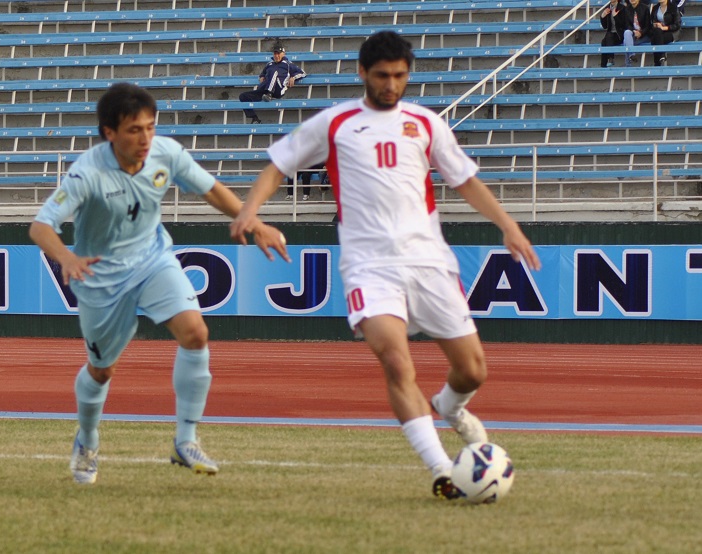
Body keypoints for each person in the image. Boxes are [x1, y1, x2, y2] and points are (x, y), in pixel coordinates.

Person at [230, 31, 541, 500]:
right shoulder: (335, 123)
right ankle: (442, 471)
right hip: (368, 266)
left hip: (429, 262)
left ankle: (451, 409)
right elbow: (278, 165)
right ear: (363, 73)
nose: (391, 84)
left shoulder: (426, 123)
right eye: (382, 76)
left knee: (473, 370)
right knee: (397, 362)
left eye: (399, 75)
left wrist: (509, 225)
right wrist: (250, 211)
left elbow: (466, 181)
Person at [29, 82, 289, 485]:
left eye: (150, 127)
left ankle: (185, 440)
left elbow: (211, 190)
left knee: (196, 333)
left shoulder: (166, 153)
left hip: (152, 260)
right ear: (109, 132)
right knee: (101, 370)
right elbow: (41, 226)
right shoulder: (87, 171)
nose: (146, 137)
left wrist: (254, 223)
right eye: (135, 130)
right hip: (100, 277)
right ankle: (88, 439)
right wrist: (66, 256)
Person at [238, 43, 307, 125]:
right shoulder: (269, 64)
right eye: (275, 53)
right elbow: (263, 73)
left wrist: (293, 77)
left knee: (274, 72)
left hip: (278, 89)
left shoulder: (288, 64)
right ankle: (255, 118)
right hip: (264, 90)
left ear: (283, 54)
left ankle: (269, 93)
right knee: (243, 96)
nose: (276, 56)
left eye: (278, 53)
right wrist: (262, 76)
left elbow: (303, 73)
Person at [650, 0, 682, 66]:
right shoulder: (655, 8)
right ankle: (661, 55)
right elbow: (651, 21)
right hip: (659, 32)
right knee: (657, 33)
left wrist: (665, 28)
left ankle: (657, 62)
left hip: (672, 32)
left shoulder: (673, 7)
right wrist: (655, 24)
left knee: (655, 39)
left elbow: (677, 24)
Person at [623, 0, 653, 67]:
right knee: (627, 33)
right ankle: (632, 55)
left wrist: (641, 33)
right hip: (633, 34)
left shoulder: (645, 8)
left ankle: (628, 64)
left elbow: (648, 26)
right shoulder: (627, 9)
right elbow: (627, 25)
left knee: (625, 41)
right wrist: (634, 31)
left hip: (645, 35)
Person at [600, 0, 628, 67]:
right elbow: (605, 26)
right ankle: (604, 65)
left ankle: (610, 59)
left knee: (608, 37)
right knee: (604, 42)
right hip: (610, 36)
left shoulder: (622, 8)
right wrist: (602, 16)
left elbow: (624, 25)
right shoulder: (607, 8)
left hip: (620, 35)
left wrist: (615, 16)